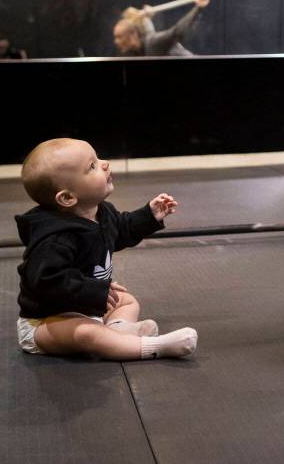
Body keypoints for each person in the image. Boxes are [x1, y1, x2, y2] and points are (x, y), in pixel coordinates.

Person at [15, 137, 198, 361]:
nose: (105, 163)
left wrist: (149, 216)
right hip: (47, 322)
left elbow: (121, 230)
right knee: (88, 333)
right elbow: (48, 283)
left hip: (89, 307)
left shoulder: (101, 212)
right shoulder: (55, 239)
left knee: (126, 300)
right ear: (67, 197)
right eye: (92, 166)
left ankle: (119, 331)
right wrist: (95, 291)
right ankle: (152, 347)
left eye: (98, 158)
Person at [113, 0, 213, 56]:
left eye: (119, 37)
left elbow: (177, 32)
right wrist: (146, 18)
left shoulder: (153, 43)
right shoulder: (139, 49)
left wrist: (198, 8)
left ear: (132, 35)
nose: (116, 41)